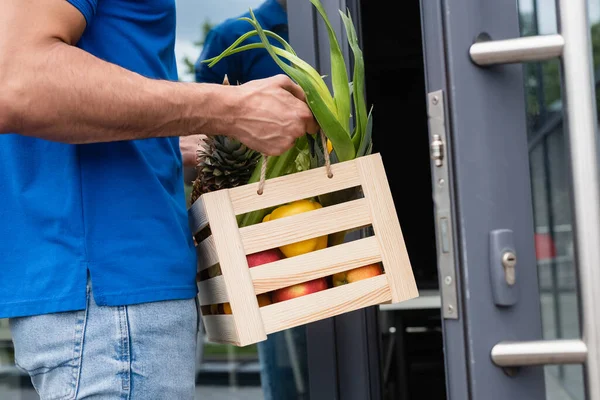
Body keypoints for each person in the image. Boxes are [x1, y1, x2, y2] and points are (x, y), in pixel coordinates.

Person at [0, 1, 318, 399]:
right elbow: (20, 80)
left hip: (103, 296)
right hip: (111, 297)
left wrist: (165, 145)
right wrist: (230, 109)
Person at [195, 1, 309, 399]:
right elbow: (201, 131)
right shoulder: (233, 36)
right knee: (284, 359)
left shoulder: (325, 22)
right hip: (265, 229)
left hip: (330, 213)